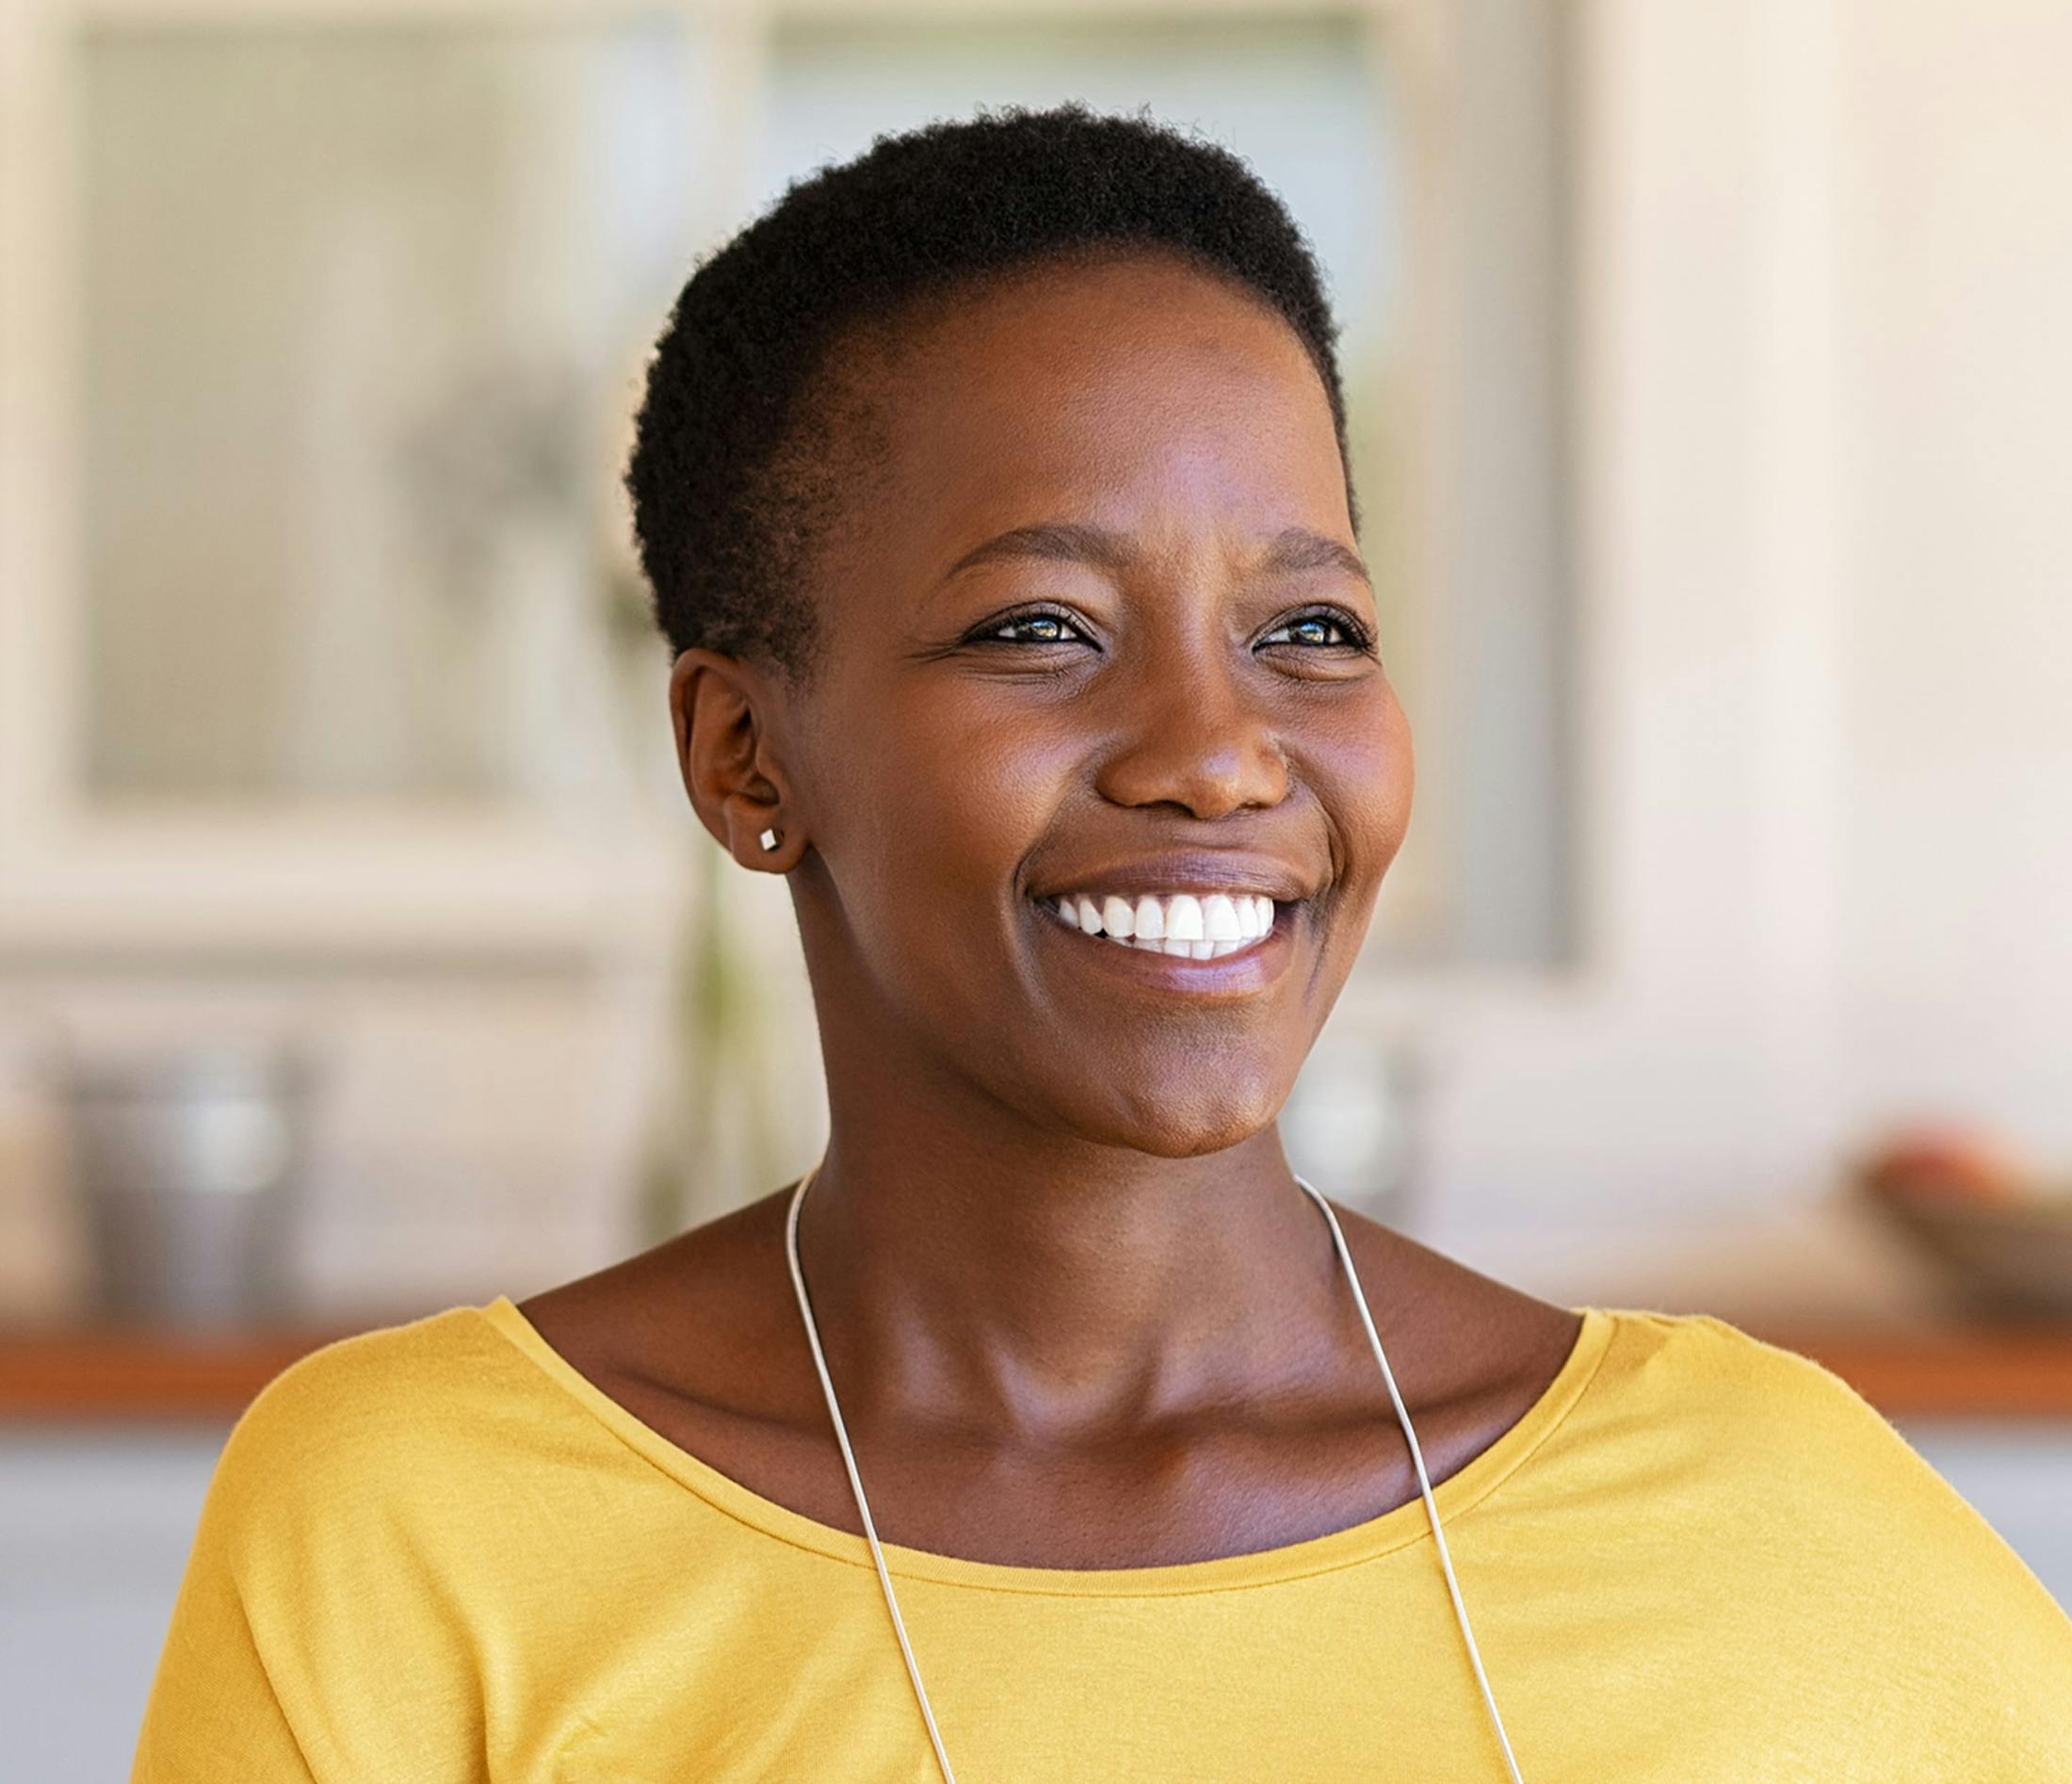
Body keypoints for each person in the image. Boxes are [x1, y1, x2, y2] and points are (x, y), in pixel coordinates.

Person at [133, 104, 2072, 1782]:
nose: (1219, 749)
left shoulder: (1763, 1516)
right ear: (745, 753)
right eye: (1037, 627)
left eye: (1307, 628)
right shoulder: (419, 1528)